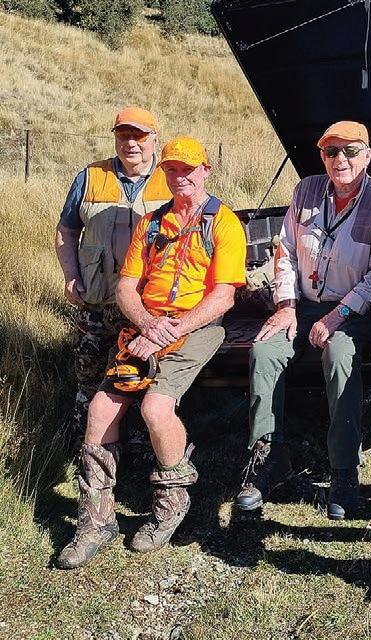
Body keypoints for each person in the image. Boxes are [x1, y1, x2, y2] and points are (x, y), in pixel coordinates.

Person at [56, 136, 247, 569]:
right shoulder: (152, 224)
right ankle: (95, 521)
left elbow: (223, 296)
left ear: (205, 170)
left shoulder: (224, 223)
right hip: (146, 327)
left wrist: (167, 331)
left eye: (188, 169)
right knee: (100, 410)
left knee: (156, 408)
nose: (180, 177)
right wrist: (145, 324)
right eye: (172, 170)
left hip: (195, 327)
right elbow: (126, 287)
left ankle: (171, 503)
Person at [235, 121, 371, 520]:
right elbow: (285, 250)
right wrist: (285, 305)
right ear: (322, 157)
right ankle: (268, 457)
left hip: (354, 312)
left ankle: (343, 470)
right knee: (264, 351)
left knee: (340, 356)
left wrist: (339, 315)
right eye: (331, 152)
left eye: (350, 151)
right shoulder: (305, 191)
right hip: (302, 307)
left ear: (367, 155)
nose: (341, 160)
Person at [55, 107, 172, 446]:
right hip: (95, 302)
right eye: (123, 135)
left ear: (154, 139)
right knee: (89, 379)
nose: (131, 143)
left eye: (139, 135)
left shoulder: (171, 178)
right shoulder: (90, 177)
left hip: (146, 309)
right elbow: (66, 230)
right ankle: (86, 451)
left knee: (144, 381)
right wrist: (70, 275)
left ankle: (141, 452)